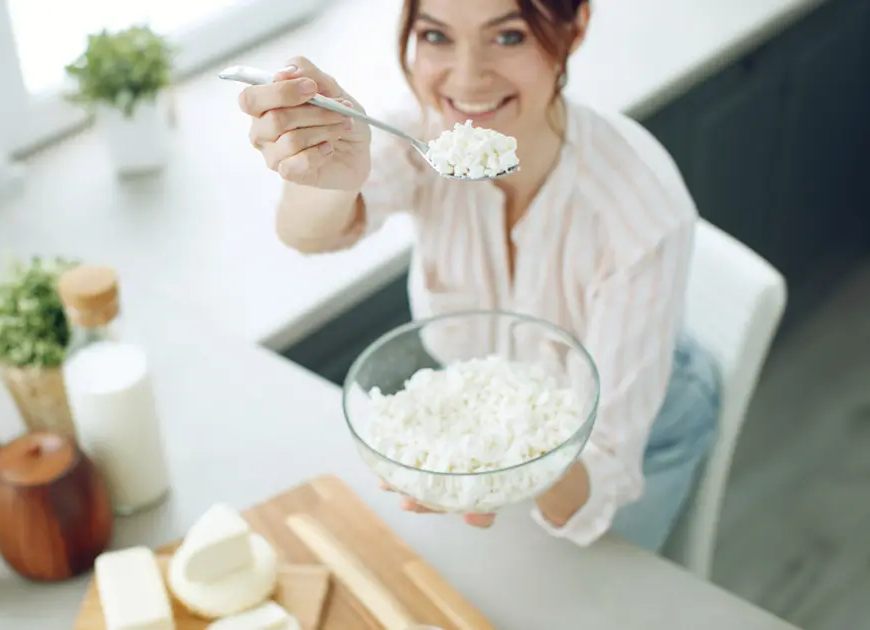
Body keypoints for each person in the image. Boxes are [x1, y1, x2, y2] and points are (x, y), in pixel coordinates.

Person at [235, 0, 722, 552]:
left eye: (509, 36)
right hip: (515, 420)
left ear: (574, 28)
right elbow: (310, 234)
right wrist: (325, 168)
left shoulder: (640, 211)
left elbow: (604, 472)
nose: (467, 78)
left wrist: (494, 465)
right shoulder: (423, 136)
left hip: (645, 427)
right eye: (437, 36)